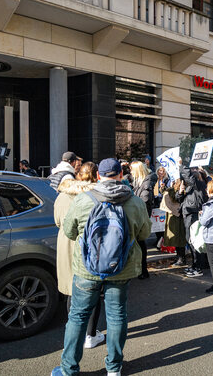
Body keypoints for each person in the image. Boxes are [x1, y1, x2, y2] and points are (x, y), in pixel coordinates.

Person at [52, 158, 151, 376]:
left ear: (99, 176)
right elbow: (144, 234)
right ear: (120, 175)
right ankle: (114, 368)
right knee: (117, 316)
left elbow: (69, 231)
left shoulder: (83, 200)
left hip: (86, 269)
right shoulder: (135, 202)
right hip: (121, 268)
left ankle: (69, 369)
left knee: (78, 317)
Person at [53, 162, 105, 350]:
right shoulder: (95, 196)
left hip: (66, 242)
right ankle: (90, 335)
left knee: (70, 290)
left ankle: (75, 331)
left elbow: (58, 221)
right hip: (88, 245)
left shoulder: (62, 195)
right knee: (92, 292)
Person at [177, 161, 208, 277]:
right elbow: (180, 199)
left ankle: (198, 267)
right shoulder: (191, 187)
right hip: (187, 215)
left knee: (195, 241)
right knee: (190, 241)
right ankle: (195, 265)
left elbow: (189, 177)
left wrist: (181, 165)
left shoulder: (199, 184)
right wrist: (180, 192)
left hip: (194, 215)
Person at [130, 161, 156, 280]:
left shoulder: (146, 184)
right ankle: (141, 269)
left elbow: (144, 201)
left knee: (140, 243)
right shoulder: (140, 182)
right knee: (139, 243)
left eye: (132, 170)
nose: (130, 172)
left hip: (141, 217)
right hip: (139, 216)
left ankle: (143, 270)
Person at [161, 180, 187, 266]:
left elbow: (176, 198)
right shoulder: (172, 190)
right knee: (177, 239)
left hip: (177, 217)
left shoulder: (181, 190)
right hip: (175, 216)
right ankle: (179, 257)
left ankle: (181, 258)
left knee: (179, 239)